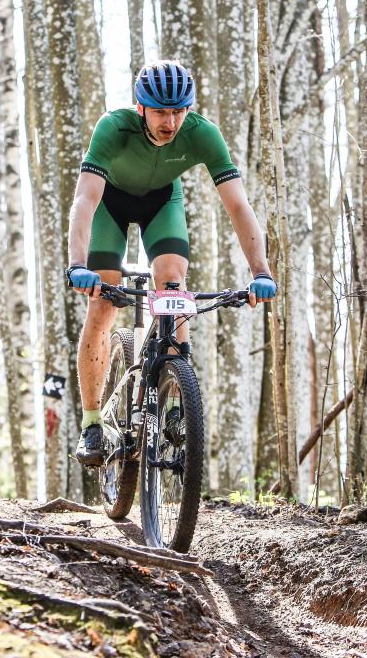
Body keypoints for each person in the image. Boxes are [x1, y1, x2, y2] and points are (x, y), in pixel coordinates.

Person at [66, 59, 277, 467]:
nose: (171, 122)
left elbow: (238, 205)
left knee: (172, 282)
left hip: (162, 203)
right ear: (141, 107)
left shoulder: (203, 134)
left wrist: (261, 271)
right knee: (103, 304)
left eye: (179, 111)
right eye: (161, 111)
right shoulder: (113, 128)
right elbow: (85, 199)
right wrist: (78, 264)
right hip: (109, 204)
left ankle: (178, 400)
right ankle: (92, 423)